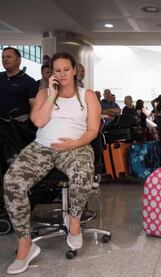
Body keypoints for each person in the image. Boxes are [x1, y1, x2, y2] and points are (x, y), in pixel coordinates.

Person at [3, 52, 101, 275]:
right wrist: (52, 95)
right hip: (42, 147)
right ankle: (25, 245)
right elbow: (38, 121)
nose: (62, 74)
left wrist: (74, 143)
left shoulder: (88, 95)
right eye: (57, 70)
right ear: (52, 73)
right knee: (12, 182)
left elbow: (93, 130)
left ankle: (74, 220)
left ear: (74, 70)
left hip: (75, 145)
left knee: (82, 173)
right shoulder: (44, 93)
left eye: (66, 69)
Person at [0, 47, 38, 121]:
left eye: (9, 57)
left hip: (18, 128)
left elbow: (35, 109)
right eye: (3, 57)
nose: (5, 59)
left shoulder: (29, 82)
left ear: (18, 60)